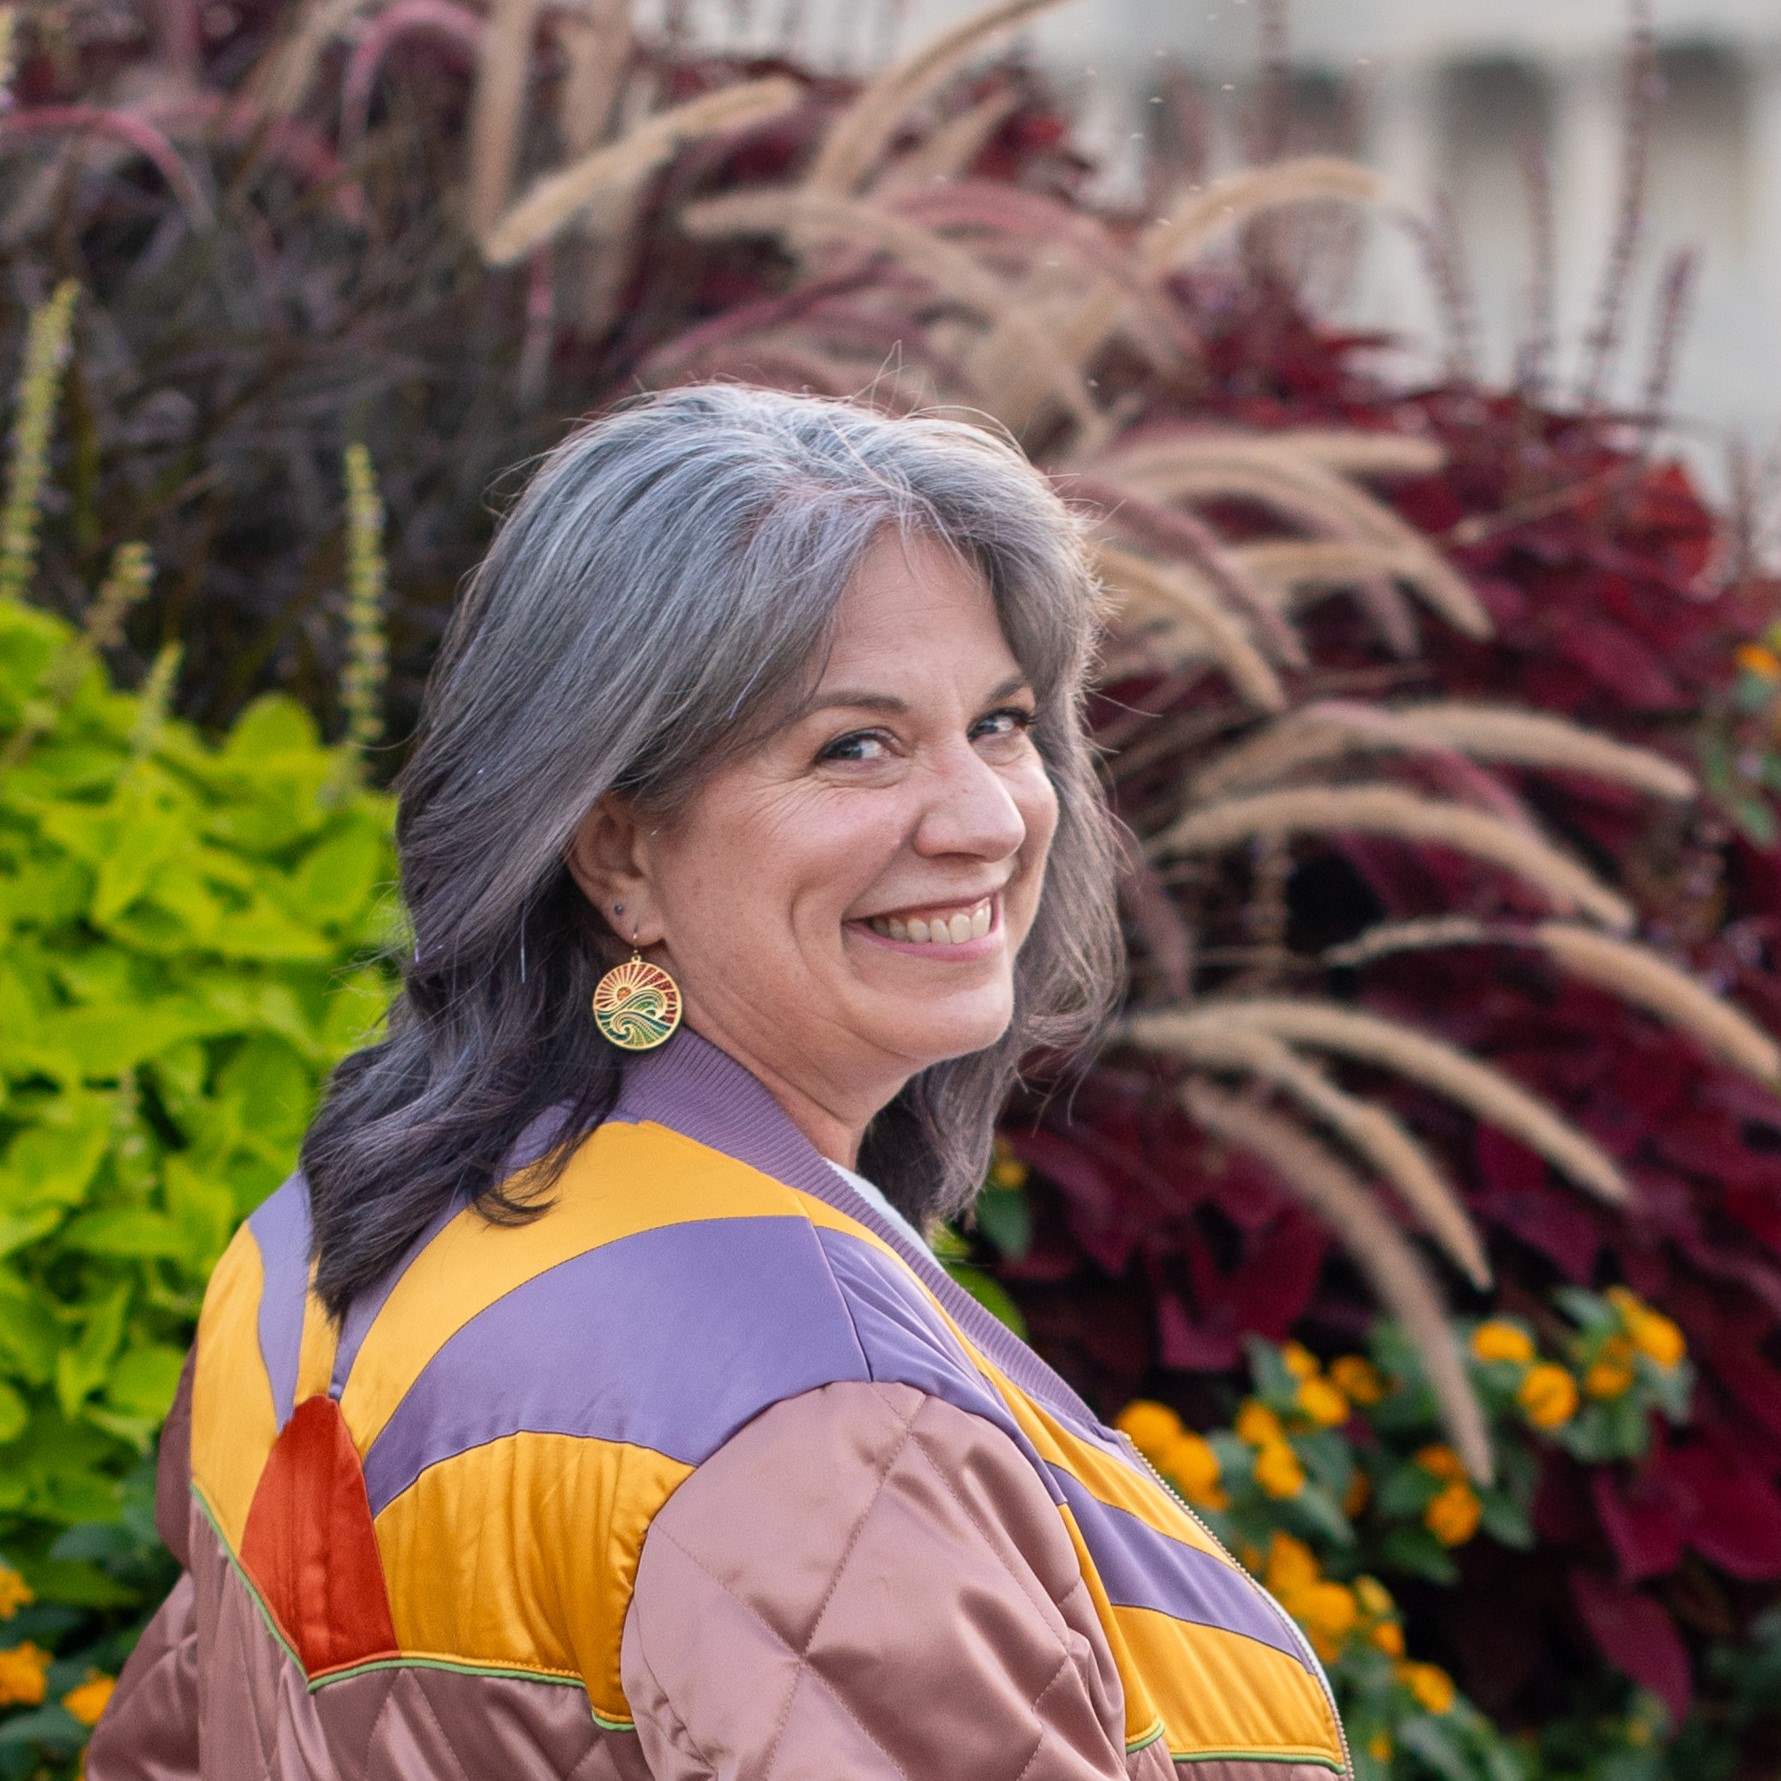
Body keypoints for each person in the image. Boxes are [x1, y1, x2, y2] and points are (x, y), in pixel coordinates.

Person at [87, 383, 1351, 1779]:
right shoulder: (829, 1433)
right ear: (618, 852)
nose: (991, 814)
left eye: (998, 722)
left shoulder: (311, 1250)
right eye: (853, 744)